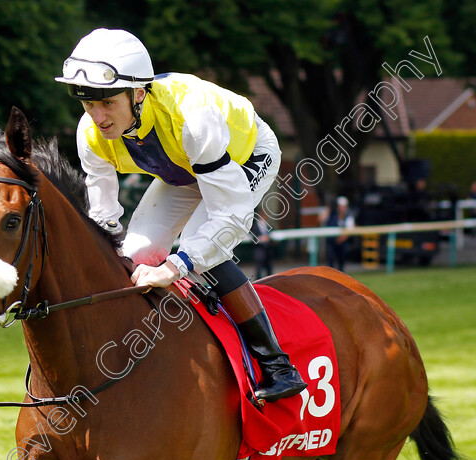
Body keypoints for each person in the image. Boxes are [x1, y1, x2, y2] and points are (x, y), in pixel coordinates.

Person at [55, 28, 306, 403]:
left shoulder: (192, 115)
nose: (97, 117)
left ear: (138, 93)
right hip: (185, 166)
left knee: (198, 248)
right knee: (136, 254)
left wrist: (176, 266)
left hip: (243, 157)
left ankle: (277, 365)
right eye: (87, 104)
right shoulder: (89, 133)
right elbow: (104, 218)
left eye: (107, 103)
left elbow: (232, 220)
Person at [323, 196, 355, 271]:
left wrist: (339, 240)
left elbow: (349, 232)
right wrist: (328, 209)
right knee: (330, 260)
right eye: (340, 207)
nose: (342, 209)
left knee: (341, 260)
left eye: (343, 207)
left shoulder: (349, 217)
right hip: (331, 242)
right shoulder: (332, 215)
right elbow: (321, 218)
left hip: (341, 242)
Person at [250, 211, 273, 279]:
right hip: (259, 249)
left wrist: (268, 238)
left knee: (269, 266)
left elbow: (271, 235)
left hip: (268, 249)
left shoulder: (268, 226)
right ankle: (258, 280)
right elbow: (253, 239)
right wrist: (261, 239)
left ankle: (269, 279)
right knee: (259, 267)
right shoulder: (254, 227)